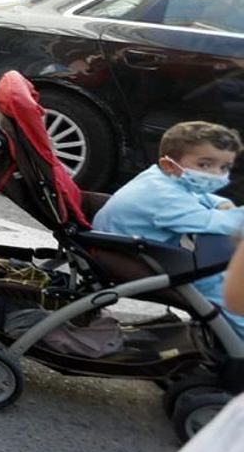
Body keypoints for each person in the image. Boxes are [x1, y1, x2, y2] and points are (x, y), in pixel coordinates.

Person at [94, 122, 242, 334]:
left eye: (224, 167)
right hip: (142, 262)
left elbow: (195, 193)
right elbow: (217, 222)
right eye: (205, 165)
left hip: (135, 252)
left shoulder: (160, 177)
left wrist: (219, 203)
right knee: (233, 297)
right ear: (169, 164)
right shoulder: (163, 196)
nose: (216, 174)